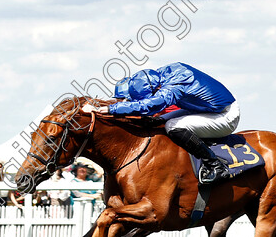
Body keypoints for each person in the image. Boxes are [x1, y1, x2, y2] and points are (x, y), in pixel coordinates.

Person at [93, 62, 239, 185]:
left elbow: (147, 106)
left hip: (224, 115)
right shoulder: (162, 74)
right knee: (156, 121)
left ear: (156, 88)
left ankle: (215, 165)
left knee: (172, 126)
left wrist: (109, 109)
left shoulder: (173, 88)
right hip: (205, 109)